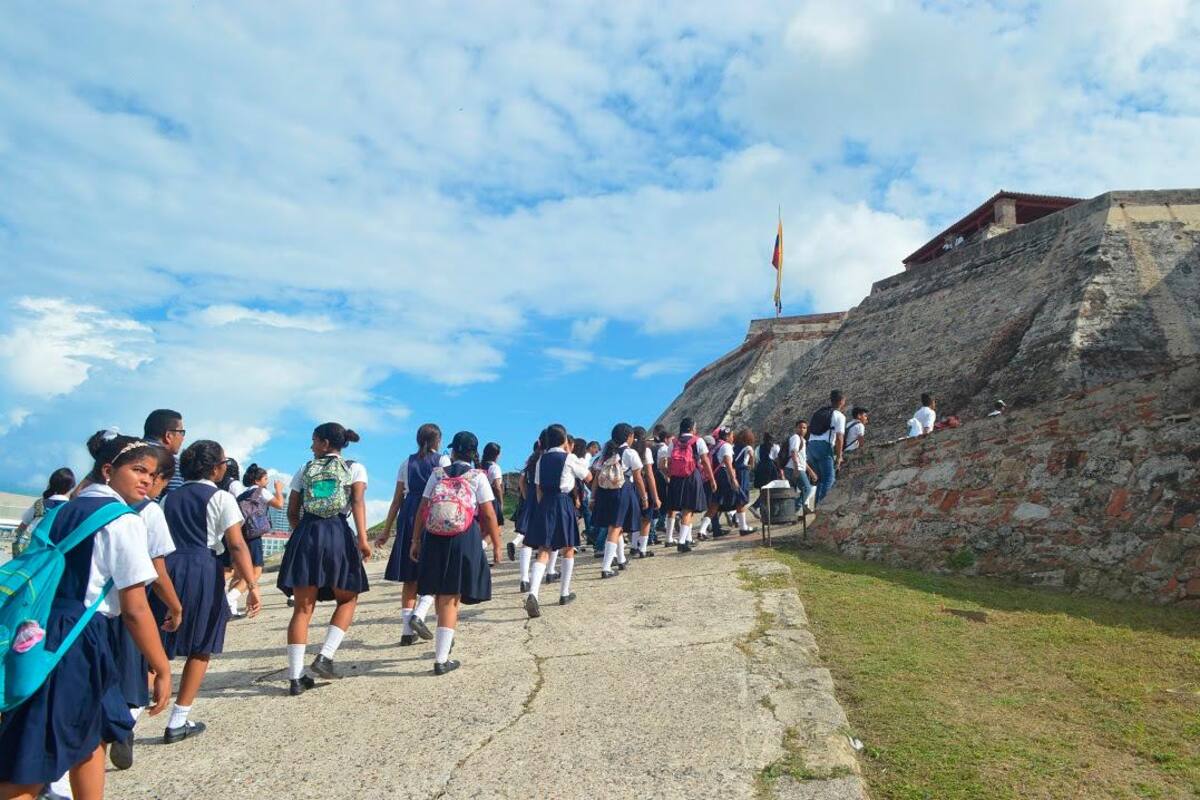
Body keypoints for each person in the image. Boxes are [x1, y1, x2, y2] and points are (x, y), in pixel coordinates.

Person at [0, 435, 172, 800]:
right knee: (31, 766)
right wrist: (161, 665)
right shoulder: (123, 521)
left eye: (151, 473)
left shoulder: (61, 511)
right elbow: (135, 607)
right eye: (137, 469)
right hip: (79, 640)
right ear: (109, 471)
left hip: (41, 629)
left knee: (91, 737)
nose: (146, 479)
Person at [153, 439, 260, 741]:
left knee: (157, 645)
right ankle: (178, 720)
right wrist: (252, 585)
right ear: (215, 468)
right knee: (201, 646)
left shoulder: (167, 498)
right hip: (202, 567)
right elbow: (236, 544)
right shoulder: (222, 498)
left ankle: (126, 718)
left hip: (168, 567)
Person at [107, 437, 184, 772]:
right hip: (127, 608)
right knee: (135, 677)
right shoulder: (147, 511)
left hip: (82, 617)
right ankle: (122, 725)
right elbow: (157, 570)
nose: (150, 483)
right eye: (144, 473)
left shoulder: (78, 505)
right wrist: (175, 606)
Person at [278, 423, 370, 695]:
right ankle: (325, 656)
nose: (311, 446)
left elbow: (292, 510)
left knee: (302, 610)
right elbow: (357, 503)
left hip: (306, 532)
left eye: (315, 441)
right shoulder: (355, 468)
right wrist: (363, 539)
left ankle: (295, 678)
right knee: (348, 597)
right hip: (338, 533)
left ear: (326, 443)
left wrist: (304, 533)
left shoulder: (304, 469)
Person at [411, 431, 501, 675]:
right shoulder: (477, 476)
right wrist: (496, 544)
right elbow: (489, 514)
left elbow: (423, 507)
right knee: (452, 596)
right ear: (473, 452)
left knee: (441, 593)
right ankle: (441, 659)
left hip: (434, 535)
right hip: (464, 535)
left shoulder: (437, 474)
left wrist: (415, 540)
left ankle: (444, 640)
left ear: (453, 451)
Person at [376, 424, 449, 646]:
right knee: (434, 570)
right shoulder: (443, 461)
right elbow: (445, 488)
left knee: (410, 576)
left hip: (408, 514)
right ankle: (423, 615)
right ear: (438, 441)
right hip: (432, 512)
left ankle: (407, 631)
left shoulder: (406, 463)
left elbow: (396, 499)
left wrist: (387, 530)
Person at [523, 424, 591, 617]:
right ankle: (564, 592)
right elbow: (588, 476)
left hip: (545, 503)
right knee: (568, 547)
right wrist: (570, 452)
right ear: (564, 440)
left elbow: (537, 488)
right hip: (563, 503)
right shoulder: (569, 458)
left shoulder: (541, 460)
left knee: (544, 549)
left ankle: (533, 593)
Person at [225, 464, 285, 617]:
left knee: (238, 573)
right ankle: (229, 598)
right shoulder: (261, 492)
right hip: (254, 537)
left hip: (240, 534)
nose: (267, 481)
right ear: (258, 481)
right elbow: (279, 504)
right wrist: (278, 490)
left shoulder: (241, 494)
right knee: (255, 572)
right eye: (265, 479)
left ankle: (231, 607)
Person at [592, 423, 647, 578]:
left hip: (604, 491)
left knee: (618, 526)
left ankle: (621, 559)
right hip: (622, 490)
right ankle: (606, 566)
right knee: (615, 527)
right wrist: (644, 497)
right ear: (629, 437)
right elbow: (638, 478)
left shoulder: (605, 452)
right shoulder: (630, 453)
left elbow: (596, 476)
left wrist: (593, 496)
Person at [663, 417, 715, 553]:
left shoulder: (673, 442)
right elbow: (705, 461)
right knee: (688, 509)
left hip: (676, 478)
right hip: (692, 475)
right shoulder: (698, 441)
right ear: (692, 428)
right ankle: (682, 542)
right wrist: (711, 478)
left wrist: (669, 474)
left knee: (685, 509)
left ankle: (687, 538)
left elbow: (668, 461)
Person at [11, 468, 75, 558]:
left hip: (32, 553)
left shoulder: (40, 504)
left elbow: (22, 527)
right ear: (71, 487)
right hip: (54, 556)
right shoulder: (71, 508)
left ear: (51, 483)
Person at [707, 426, 754, 535]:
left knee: (716, 503)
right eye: (732, 435)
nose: (734, 437)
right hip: (736, 473)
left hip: (721, 473)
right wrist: (733, 478)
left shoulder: (728, 446)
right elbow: (729, 462)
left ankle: (715, 527)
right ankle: (742, 525)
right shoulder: (730, 446)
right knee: (740, 499)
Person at [512, 437, 544, 588]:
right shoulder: (545, 459)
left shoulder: (530, 460)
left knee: (527, 538)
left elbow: (521, 481)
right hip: (544, 497)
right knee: (545, 540)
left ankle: (524, 578)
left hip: (530, 496)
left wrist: (525, 496)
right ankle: (547, 571)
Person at [807, 390, 847, 505]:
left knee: (820, 480)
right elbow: (839, 437)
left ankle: (817, 506)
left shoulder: (819, 412)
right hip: (824, 446)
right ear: (841, 401)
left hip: (811, 446)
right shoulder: (839, 416)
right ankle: (822, 507)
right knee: (829, 478)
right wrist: (839, 457)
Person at [142, 409, 187, 500]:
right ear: (168, 436)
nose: (183, 438)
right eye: (181, 432)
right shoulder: (171, 462)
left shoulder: (127, 451)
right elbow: (176, 501)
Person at [631, 426, 661, 556]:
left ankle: (633, 545)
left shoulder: (628, 450)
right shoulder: (645, 451)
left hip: (629, 486)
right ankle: (642, 548)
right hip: (643, 486)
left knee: (634, 518)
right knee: (646, 518)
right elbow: (649, 474)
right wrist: (655, 497)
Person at [787, 421, 818, 514]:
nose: (802, 429)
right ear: (796, 428)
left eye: (804, 428)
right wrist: (796, 467)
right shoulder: (796, 438)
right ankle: (794, 510)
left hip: (795, 468)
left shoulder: (803, 441)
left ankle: (791, 513)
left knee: (793, 493)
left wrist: (811, 472)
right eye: (800, 427)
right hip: (795, 468)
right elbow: (794, 453)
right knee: (807, 488)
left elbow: (803, 459)